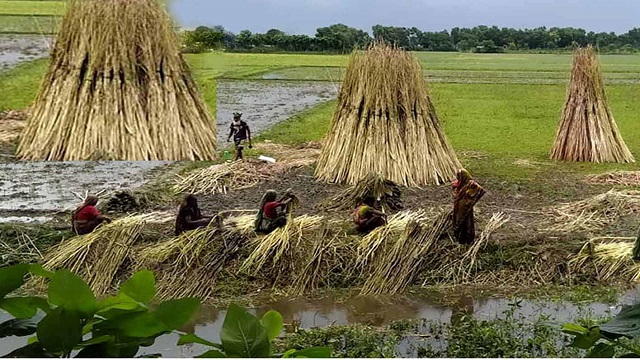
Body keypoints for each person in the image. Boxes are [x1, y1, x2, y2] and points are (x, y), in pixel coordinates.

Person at [452, 169, 486, 245]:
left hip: (466, 208)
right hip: (458, 208)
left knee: (466, 223)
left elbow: (478, 189)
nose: (458, 178)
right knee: (458, 221)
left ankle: (468, 239)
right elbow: (455, 192)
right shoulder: (460, 183)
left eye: (459, 176)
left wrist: (467, 196)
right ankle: (460, 239)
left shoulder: (471, 184)